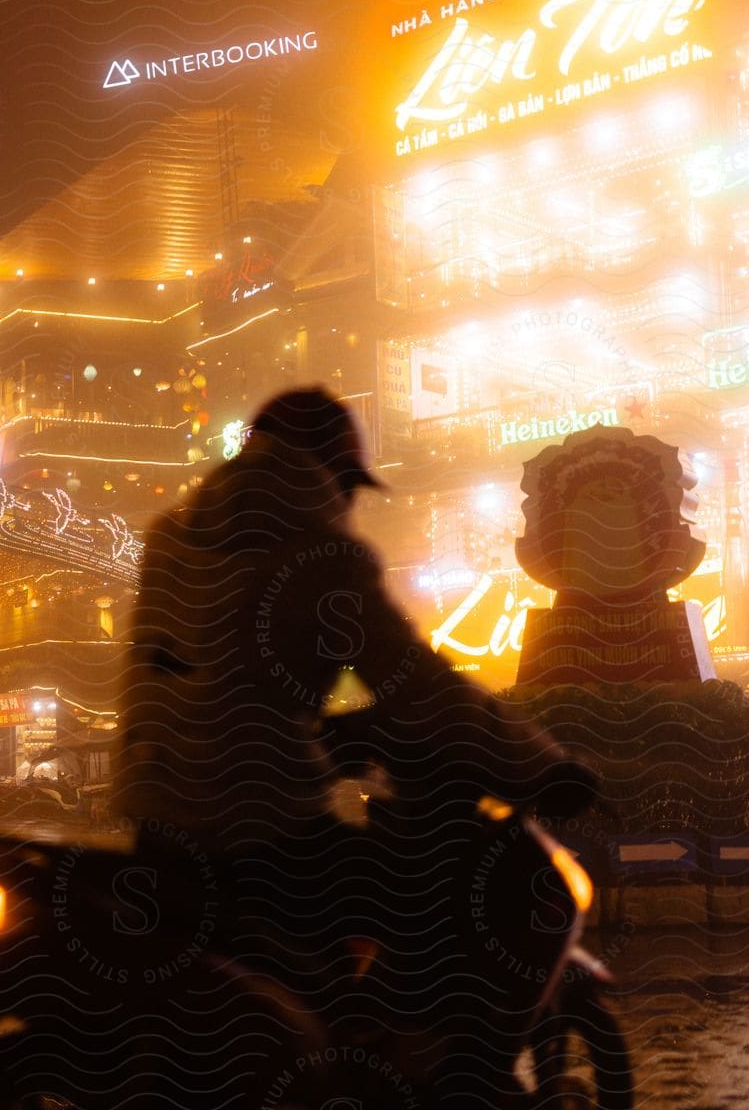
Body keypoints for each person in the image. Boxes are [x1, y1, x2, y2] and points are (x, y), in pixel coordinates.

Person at [112, 388, 595, 1022]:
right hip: (258, 823)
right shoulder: (320, 554)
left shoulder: (172, 536)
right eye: (351, 485)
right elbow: (418, 683)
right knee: (409, 900)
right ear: (332, 473)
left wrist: (343, 727)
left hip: (156, 818)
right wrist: (539, 761)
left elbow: (231, 665)